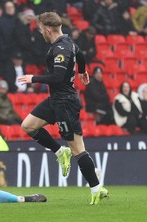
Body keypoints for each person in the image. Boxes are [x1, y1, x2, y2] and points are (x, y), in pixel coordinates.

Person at [17, 12, 108, 205]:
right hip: (55, 100)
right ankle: (59, 152)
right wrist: (82, 71)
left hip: (66, 103)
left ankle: (96, 188)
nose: (40, 32)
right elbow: (81, 55)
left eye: (41, 29)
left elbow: (57, 77)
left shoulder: (61, 48)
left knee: (77, 149)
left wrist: (34, 78)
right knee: (28, 125)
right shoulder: (69, 43)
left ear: (48, 30)